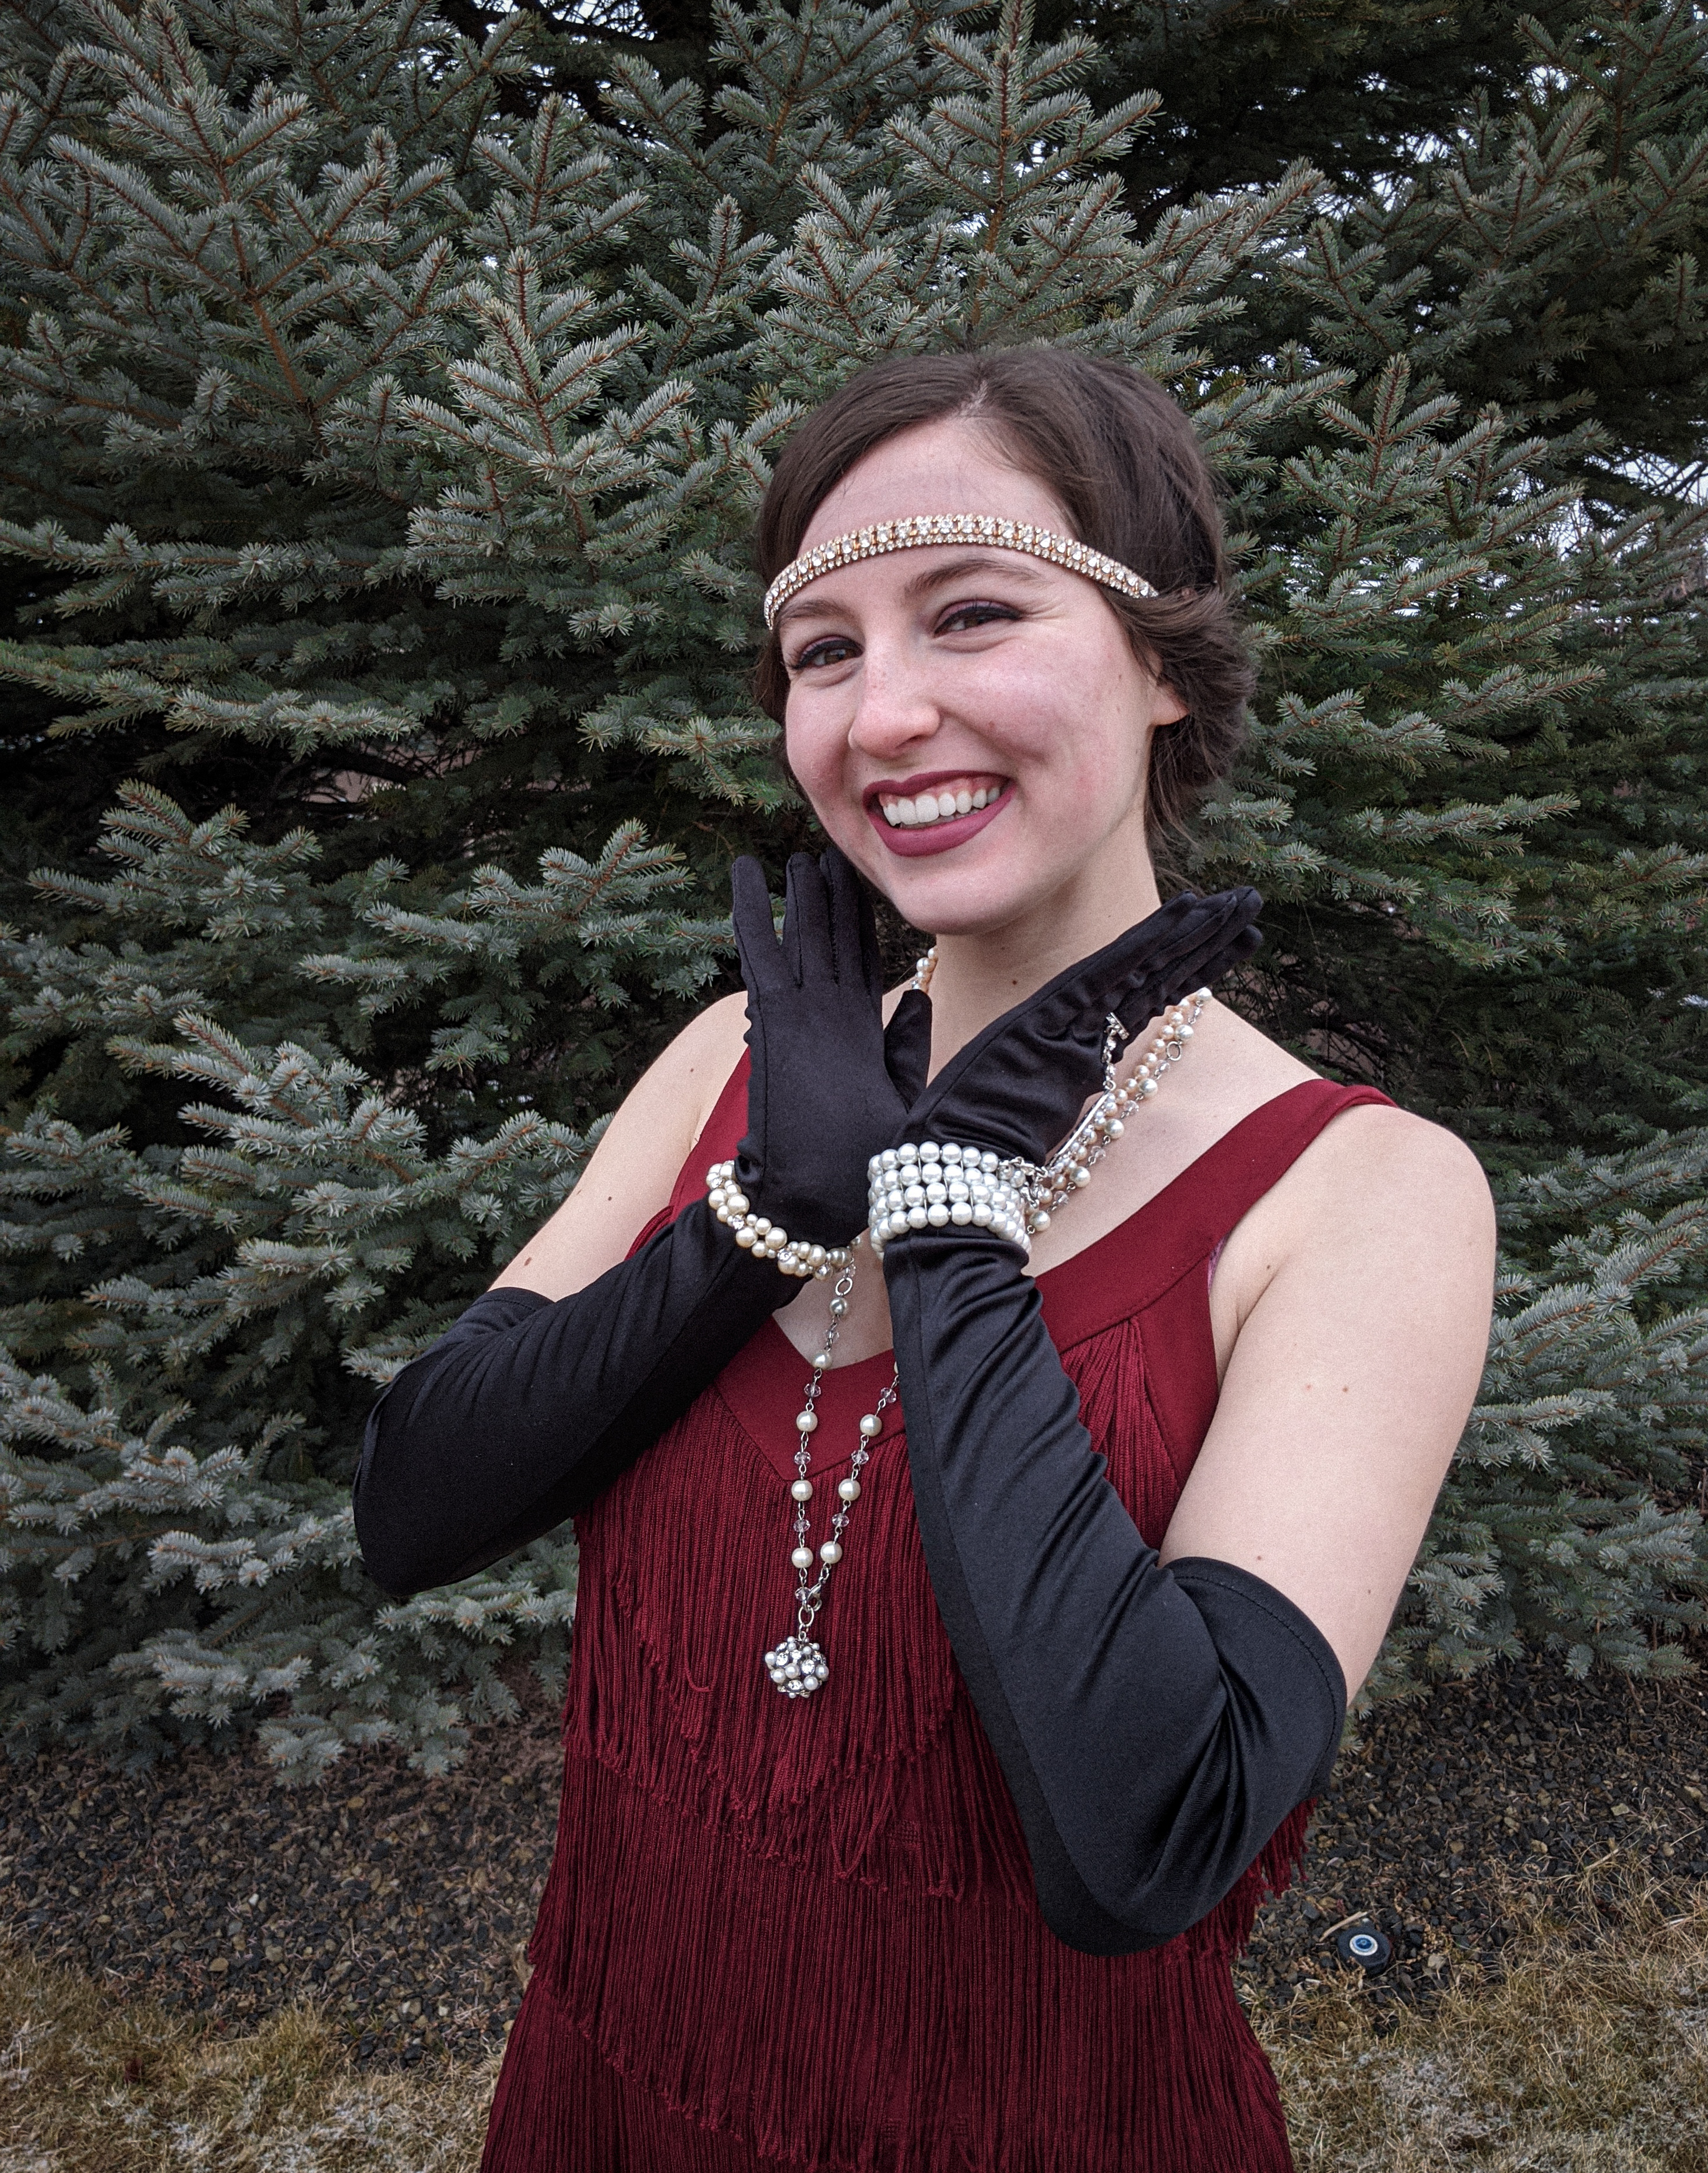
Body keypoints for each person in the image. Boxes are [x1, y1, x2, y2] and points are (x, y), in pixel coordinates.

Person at [353, 348, 1497, 2171]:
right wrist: (773, 1213)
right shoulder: (733, 1069)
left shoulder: (1360, 1195)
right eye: (825, 651)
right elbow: (411, 1504)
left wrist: (954, 1209)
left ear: (1166, 669)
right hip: (612, 2095)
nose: (884, 716)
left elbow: (1147, 1831)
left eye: (971, 613)